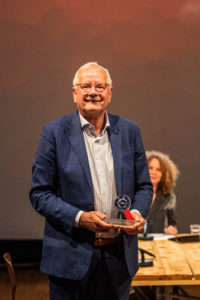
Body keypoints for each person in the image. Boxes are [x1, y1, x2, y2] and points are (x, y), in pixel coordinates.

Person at [29, 62, 153, 300]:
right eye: (85, 86)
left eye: (100, 86)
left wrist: (135, 212)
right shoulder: (53, 133)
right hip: (69, 258)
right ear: (74, 93)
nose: (93, 92)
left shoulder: (129, 131)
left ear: (110, 92)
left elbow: (144, 186)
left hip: (118, 258)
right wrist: (80, 218)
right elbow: (40, 194)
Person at [145, 150, 180, 235]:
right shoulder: (133, 194)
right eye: (150, 168)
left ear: (164, 174)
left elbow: (173, 223)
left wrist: (172, 229)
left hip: (158, 244)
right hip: (135, 243)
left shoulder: (168, 197)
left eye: (158, 169)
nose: (154, 172)